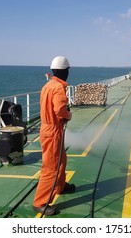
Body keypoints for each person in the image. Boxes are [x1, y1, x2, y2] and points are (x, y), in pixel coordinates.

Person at [33, 56, 75, 216]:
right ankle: (40, 202)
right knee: (51, 167)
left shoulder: (47, 85)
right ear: (65, 71)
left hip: (47, 127)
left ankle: (60, 186)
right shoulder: (58, 88)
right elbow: (59, 110)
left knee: (61, 159)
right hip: (53, 130)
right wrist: (68, 115)